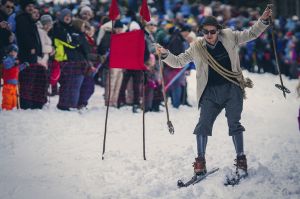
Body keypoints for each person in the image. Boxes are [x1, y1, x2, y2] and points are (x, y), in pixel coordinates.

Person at [156, 7, 272, 176]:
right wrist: (165, 54)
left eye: (212, 31)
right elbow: (179, 61)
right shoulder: (196, 47)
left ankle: (240, 158)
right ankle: (200, 161)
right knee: (203, 124)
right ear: (201, 31)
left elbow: (251, 34)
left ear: (218, 30)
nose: (209, 35)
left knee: (234, 123)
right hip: (210, 93)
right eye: (205, 32)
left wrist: (262, 21)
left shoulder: (230, 36)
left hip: (232, 87)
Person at [1, 44, 28, 110]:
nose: (13, 53)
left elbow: (17, 69)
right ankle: (6, 110)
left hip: (14, 85)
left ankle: (13, 109)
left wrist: (23, 66)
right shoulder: (7, 59)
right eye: (11, 51)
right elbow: (7, 65)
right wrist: (14, 63)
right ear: (8, 52)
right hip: (8, 84)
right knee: (8, 99)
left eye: (15, 52)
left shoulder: (15, 61)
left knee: (14, 98)